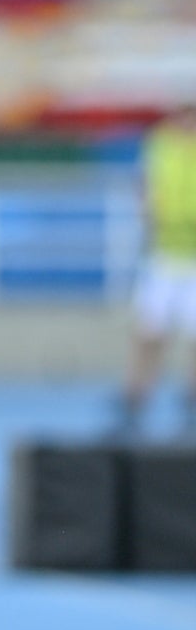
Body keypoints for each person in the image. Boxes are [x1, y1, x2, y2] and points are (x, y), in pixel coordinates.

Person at [120, 101, 196, 434]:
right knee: (149, 331)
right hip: (164, 254)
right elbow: (145, 183)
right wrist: (147, 210)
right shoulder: (161, 144)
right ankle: (136, 397)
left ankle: (191, 400)